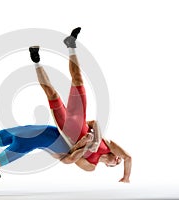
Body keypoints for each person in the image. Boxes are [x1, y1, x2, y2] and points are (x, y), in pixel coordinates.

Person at [29, 27, 132, 181]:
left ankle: (36, 60)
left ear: (108, 166)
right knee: (78, 79)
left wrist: (86, 145)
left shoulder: (91, 166)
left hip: (66, 126)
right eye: (119, 159)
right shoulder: (108, 144)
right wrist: (97, 141)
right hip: (79, 116)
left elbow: (71, 157)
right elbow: (128, 157)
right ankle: (71, 44)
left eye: (116, 163)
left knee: (52, 93)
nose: (118, 160)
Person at [0, 124, 97, 197]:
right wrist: (91, 137)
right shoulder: (72, 130)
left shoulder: (66, 155)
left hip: (21, 144)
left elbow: (73, 158)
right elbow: (92, 123)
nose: (85, 138)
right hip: (17, 131)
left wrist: (87, 145)